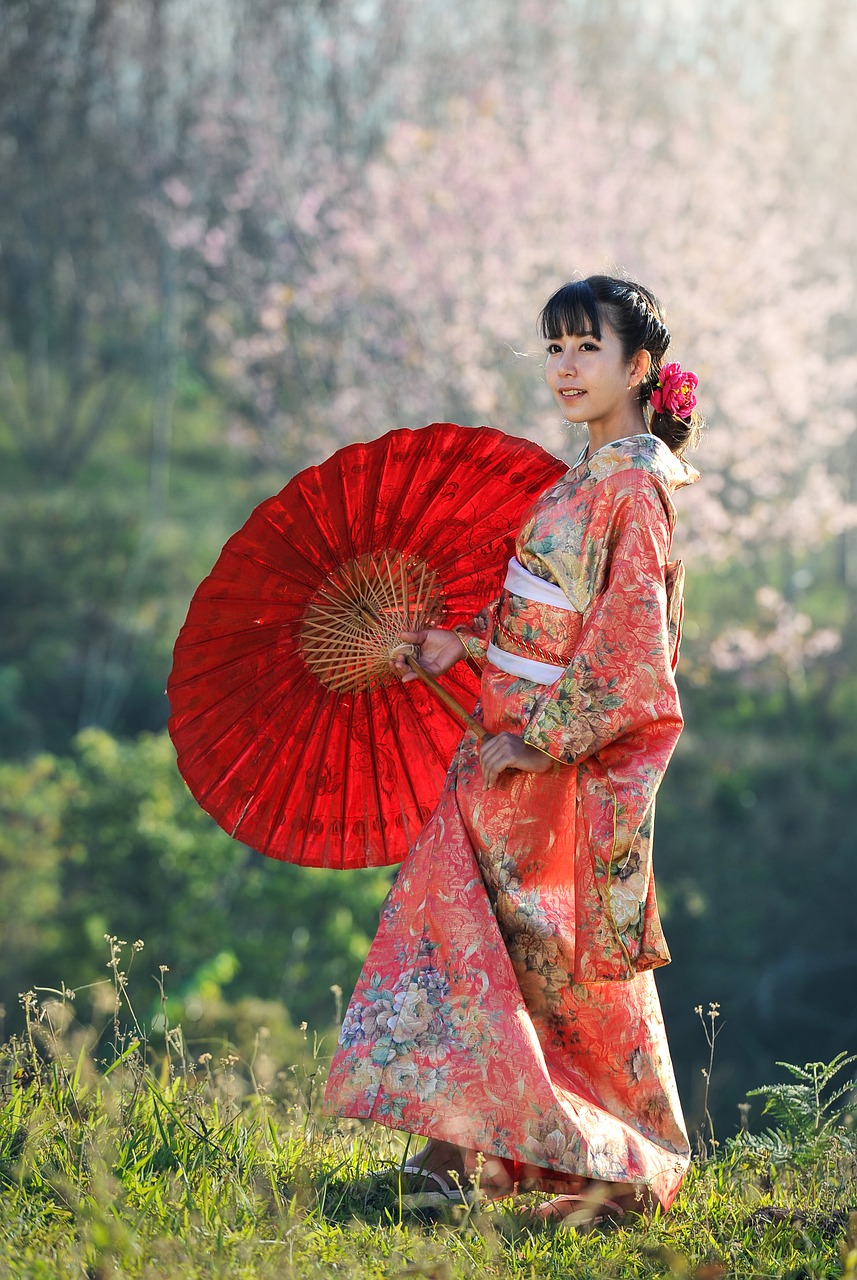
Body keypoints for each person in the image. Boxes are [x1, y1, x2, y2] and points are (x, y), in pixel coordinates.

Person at [324, 275, 701, 1223]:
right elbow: (539, 610)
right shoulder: (579, 481)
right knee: (468, 941)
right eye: (553, 349)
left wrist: (541, 744)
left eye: (585, 347)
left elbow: (628, 643)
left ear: (638, 366)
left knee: (556, 972)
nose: (565, 368)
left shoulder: (634, 488)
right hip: (500, 751)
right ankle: (455, 1150)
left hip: (550, 767)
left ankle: (616, 1164)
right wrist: (465, 640)